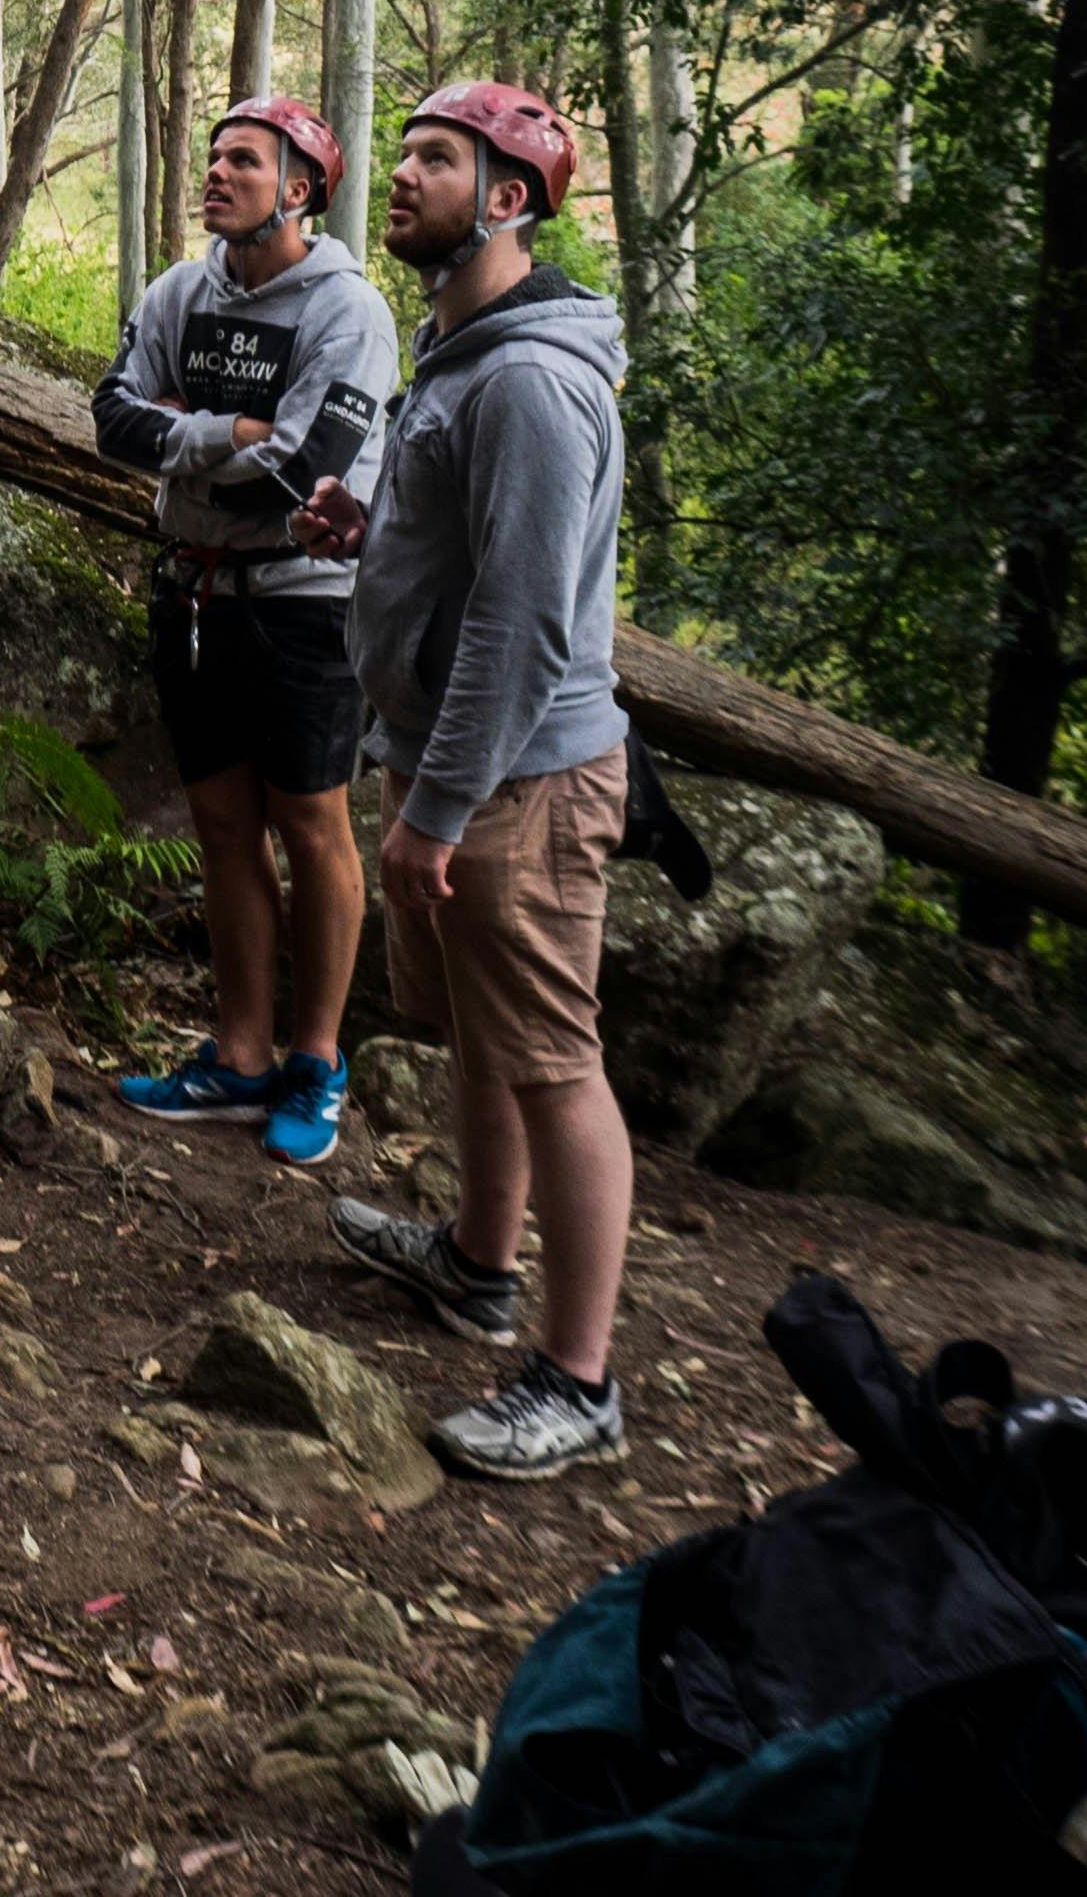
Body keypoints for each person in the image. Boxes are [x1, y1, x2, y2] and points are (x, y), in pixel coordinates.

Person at [293, 80, 639, 1481]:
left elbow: (529, 619)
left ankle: (578, 1381)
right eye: (413, 151)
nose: (403, 174)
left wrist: (437, 809)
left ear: (508, 199)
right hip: (447, 759)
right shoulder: (458, 354)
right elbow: (460, 546)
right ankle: (478, 1262)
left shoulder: (535, 382)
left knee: (555, 1062)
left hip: (520, 783)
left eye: (439, 159)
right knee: (489, 1036)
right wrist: (373, 521)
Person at [100, 98, 400, 1168]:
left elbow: (310, 466)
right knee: (223, 823)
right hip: (191, 590)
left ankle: (316, 1061)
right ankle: (239, 1055)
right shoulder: (179, 291)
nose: (216, 173)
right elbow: (111, 421)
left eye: (244, 161)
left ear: (301, 189)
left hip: (306, 600)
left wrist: (182, 436)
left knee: (313, 824)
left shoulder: (351, 311)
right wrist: (226, 428)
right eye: (216, 156)